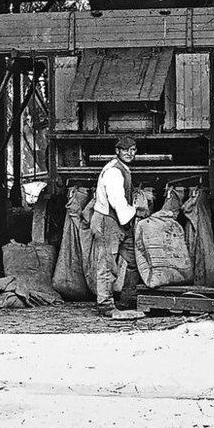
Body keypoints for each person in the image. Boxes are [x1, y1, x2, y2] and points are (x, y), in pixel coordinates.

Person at [90, 135, 146, 317]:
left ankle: (127, 298)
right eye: (125, 150)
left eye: (133, 150)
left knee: (134, 258)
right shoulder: (113, 171)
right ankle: (105, 305)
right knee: (107, 265)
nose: (129, 153)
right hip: (109, 222)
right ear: (117, 151)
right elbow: (117, 200)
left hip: (121, 223)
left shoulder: (124, 169)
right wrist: (135, 209)